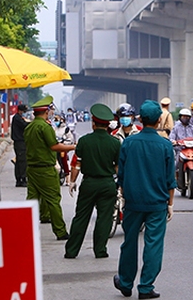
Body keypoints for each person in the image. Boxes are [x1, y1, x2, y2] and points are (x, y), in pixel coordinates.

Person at [114, 100, 177, 300]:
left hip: (133, 201)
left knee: (129, 241)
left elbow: (121, 174)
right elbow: (170, 180)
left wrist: (123, 194)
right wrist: (170, 204)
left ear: (140, 119)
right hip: (157, 202)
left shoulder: (129, 143)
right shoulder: (165, 145)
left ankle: (125, 282)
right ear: (159, 120)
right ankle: (146, 286)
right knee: (153, 244)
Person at [65, 104, 121, 259]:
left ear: (93, 123)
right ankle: (100, 250)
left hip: (89, 183)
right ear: (108, 124)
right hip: (107, 184)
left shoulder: (84, 141)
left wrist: (72, 181)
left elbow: (77, 164)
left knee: (81, 217)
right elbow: (118, 167)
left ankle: (72, 251)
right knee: (105, 218)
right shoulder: (115, 143)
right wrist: (121, 184)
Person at [24, 96, 76, 240]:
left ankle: (27, 228)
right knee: (53, 199)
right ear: (46, 112)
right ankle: (60, 231)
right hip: (45, 169)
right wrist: (74, 147)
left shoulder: (30, 126)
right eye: (50, 110)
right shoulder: (44, 127)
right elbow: (54, 146)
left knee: (32, 199)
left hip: (32, 168)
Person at [170, 108, 193, 194]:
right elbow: (171, 137)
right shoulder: (176, 128)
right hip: (180, 150)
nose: (185, 118)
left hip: (192, 150)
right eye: (183, 116)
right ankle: (175, 180)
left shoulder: (192, 127)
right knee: (176, 164)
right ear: (180, 117)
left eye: (187, 117)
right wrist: (173, 141)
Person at [11, 104, 29, 187]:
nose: (24, 113)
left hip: (20, 142)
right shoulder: (17, 118)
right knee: (22, 161)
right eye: (24, 111)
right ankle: (22, 178)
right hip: (20, 142)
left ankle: (19, 179)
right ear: (20, 111)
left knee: (19, 160)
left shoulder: (19, 118)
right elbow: (25, 125)